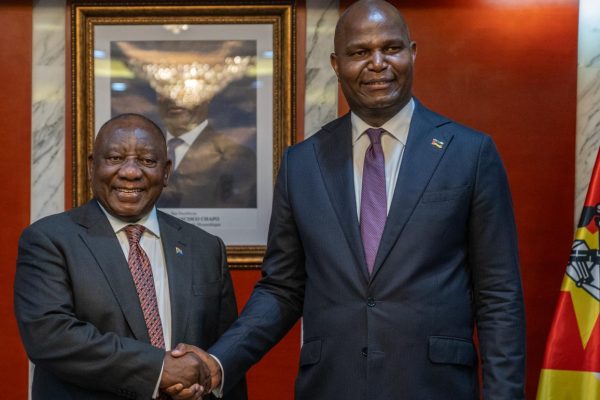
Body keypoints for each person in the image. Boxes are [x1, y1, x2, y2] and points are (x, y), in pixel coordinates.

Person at [175, 0, 526, 399]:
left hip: (435, 386)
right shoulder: (302, 164)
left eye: (391, 48)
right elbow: (282, 289)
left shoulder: (469, 153)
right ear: (336, 64)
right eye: (359, 52)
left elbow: (499, 296)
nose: (377, 63)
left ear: (412, 53)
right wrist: (218, 362)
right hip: (331, 385)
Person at [13, 114, 247, 400]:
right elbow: (49, 336)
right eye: (115, 158)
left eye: (147, 161)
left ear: (166, 172)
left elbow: (223, 356)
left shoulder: (205, 248)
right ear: (91, 167)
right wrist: (159, 370)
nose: (131, 172)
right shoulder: (49, 239)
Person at [155, 89, 257, 209]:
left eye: (187, 88)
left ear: (207, 95)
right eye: (166, 87)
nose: (175, 97)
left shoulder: (236, 157)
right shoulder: (145, 147)